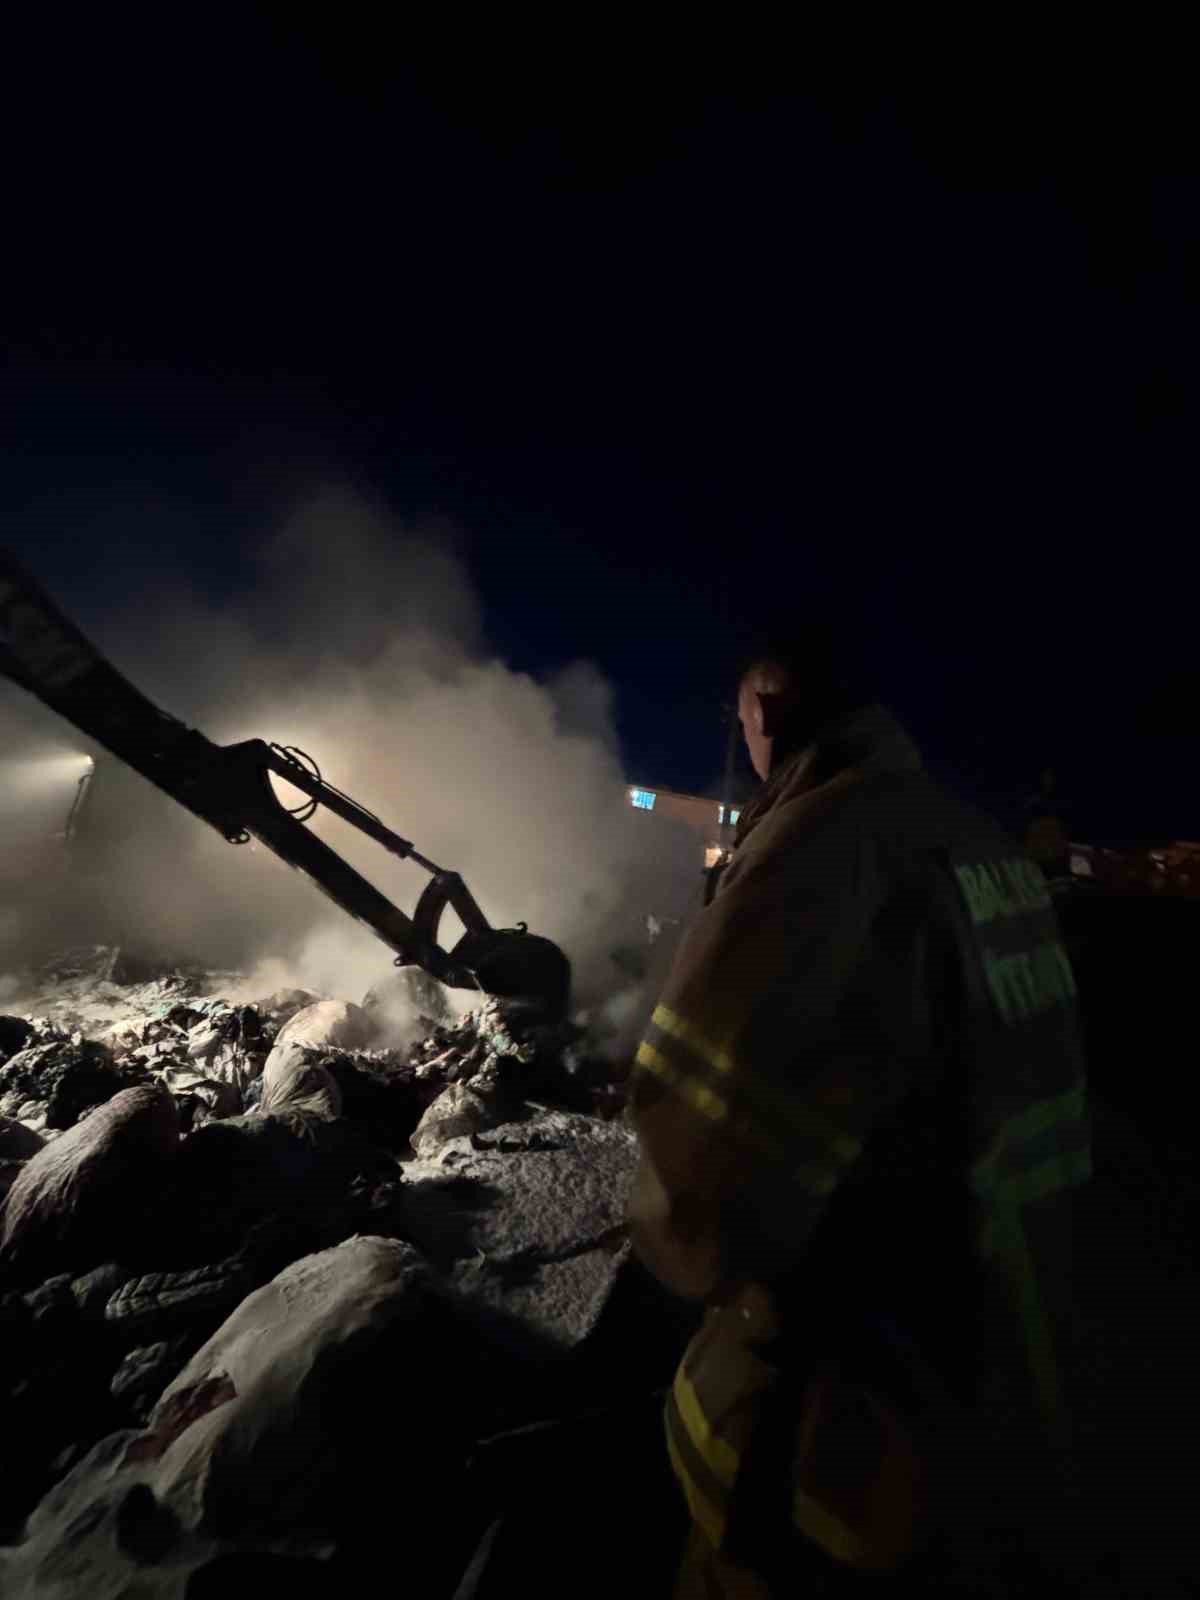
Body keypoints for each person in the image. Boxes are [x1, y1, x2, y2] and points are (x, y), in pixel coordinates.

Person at [625, 627, 1093, 1596]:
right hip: (1013, 1356)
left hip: (846, 1442)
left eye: (743, 720)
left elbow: (697, 1188)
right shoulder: (978, 841)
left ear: (766, 709)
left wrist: (665, 1223)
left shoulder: (816, 848)